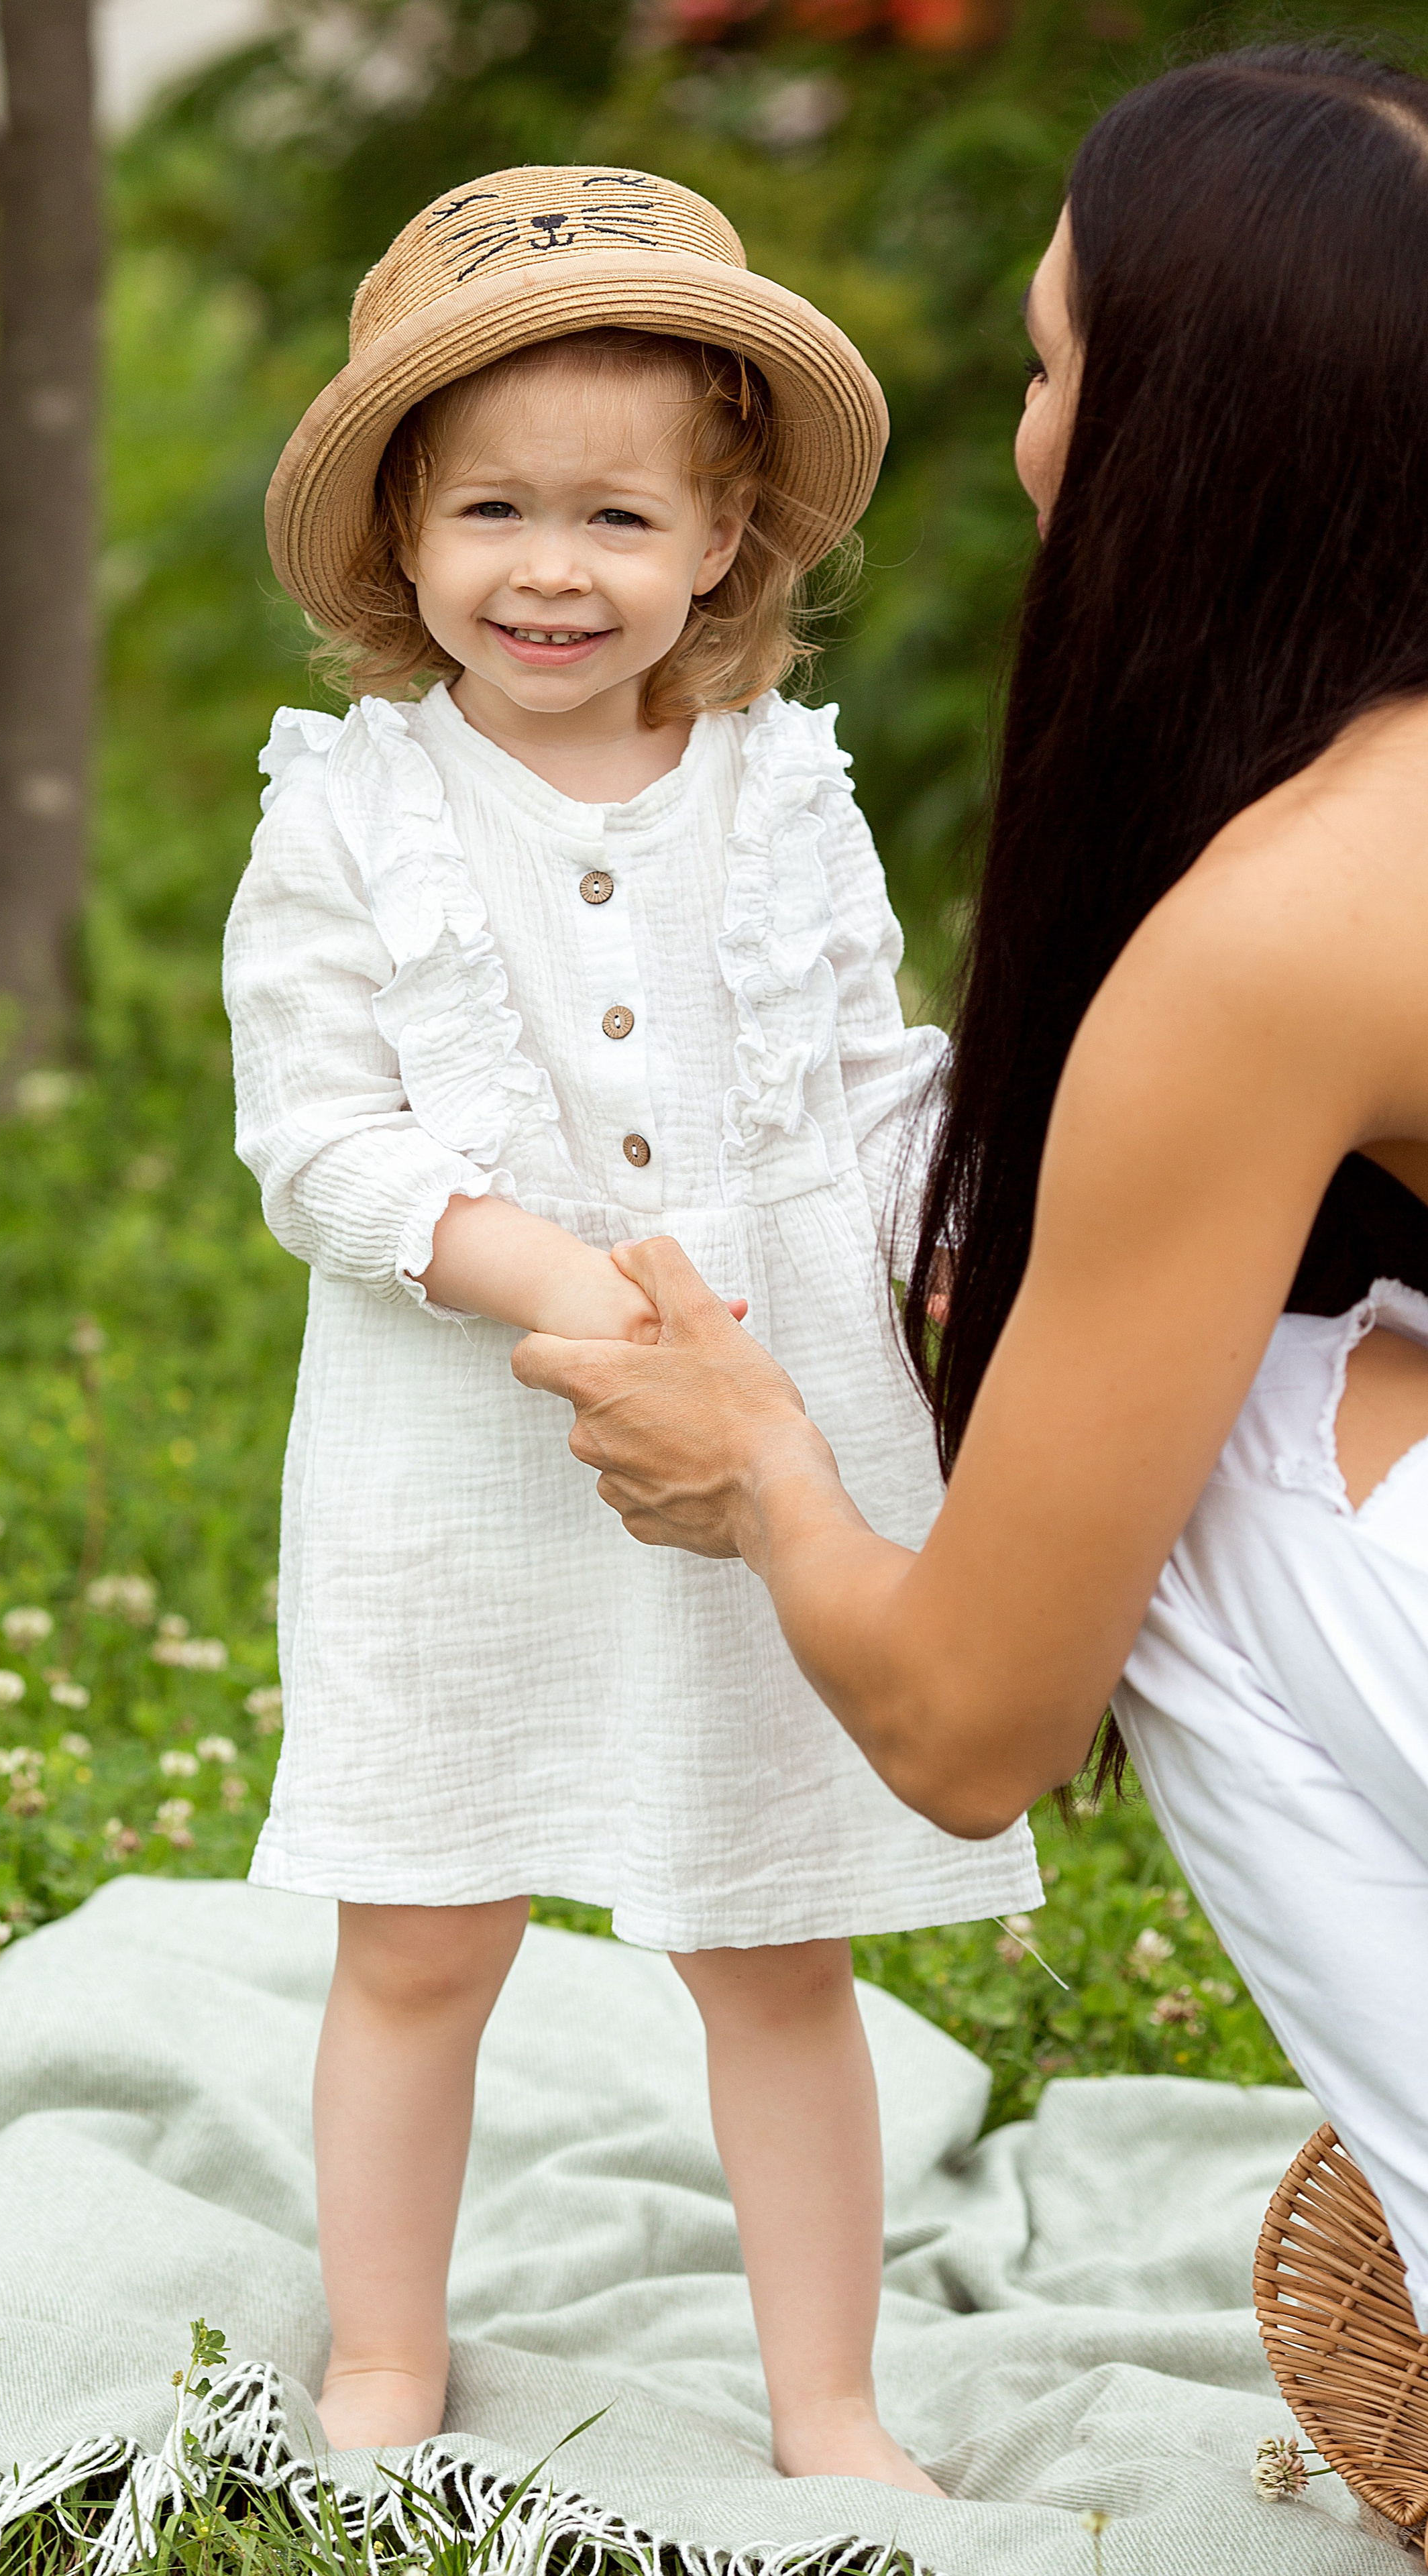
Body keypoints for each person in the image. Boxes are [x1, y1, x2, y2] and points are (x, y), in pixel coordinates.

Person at [514, 46, 1428, 2333]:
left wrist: (764, 1474)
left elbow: (970, 1723)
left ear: (1179, 452)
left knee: (1219, 1443)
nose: (1031, 437)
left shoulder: (1279, 933)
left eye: (1050, 367)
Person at [224, 164, 1040, 2480]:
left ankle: (830, 2398)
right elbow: (325, 1142)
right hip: (453, 1452)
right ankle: (385, 2351)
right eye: (489, 510)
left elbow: (867, 1077)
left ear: (724, 543)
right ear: (400, 539)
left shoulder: (787, 794)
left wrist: (953, 1234)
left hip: (761, 1437)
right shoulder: (358, 810)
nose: (550, 569)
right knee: (420, 1937)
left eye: (613, 515)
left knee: (771, 1944)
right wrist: (562, 1281)